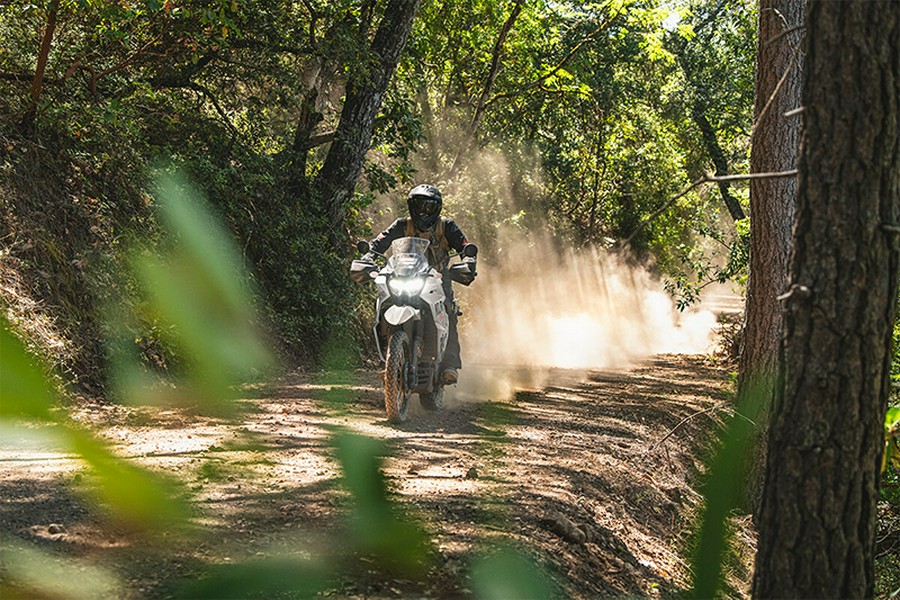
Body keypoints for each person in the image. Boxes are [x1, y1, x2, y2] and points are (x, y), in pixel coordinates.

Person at [363, 184, 473, 384]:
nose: (423, 211)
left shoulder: (446, 226)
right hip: (405, 277)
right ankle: (389, 360)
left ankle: (450, 364)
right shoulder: (401, 225)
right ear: (411, 206)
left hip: (437, 280)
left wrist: (468, 261)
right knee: (384, 303)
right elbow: (378, 242)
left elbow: (465, 247)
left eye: (428, 207)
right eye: (419, 206)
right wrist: (369, 255)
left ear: (437, 208)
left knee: (448, 312)